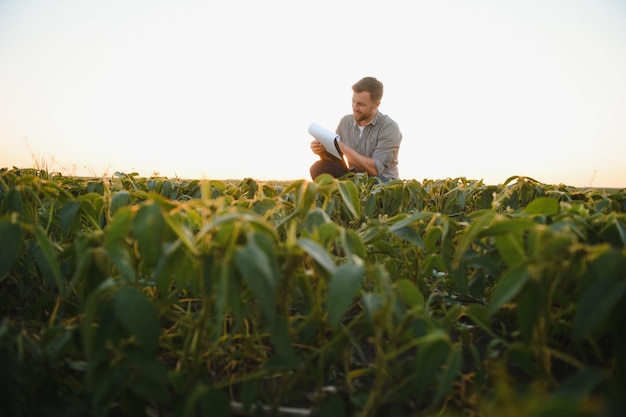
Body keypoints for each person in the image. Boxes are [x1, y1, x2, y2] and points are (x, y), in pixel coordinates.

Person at [309, 76, 402, 181]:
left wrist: (342, 146)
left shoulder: (389, 127)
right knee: (319, 167)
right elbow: (337, 159)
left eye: (360, 104)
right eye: (353, 101)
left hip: (382, 182)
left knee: (375, 181)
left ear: (376, 105)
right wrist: (322, 150)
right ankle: (341, 194)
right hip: (355, 178)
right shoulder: (345, 122)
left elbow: (375, 169)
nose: (354, 107)